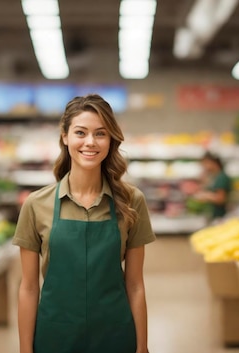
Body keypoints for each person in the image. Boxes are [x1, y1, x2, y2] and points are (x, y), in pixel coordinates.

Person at [12, 94, 156, 353]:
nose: (90, 142)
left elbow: (135, 284)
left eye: (100, 133)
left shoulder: (131, 201)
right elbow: (29, 287)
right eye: (81, 132)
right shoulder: (36, 204)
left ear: (111, 139)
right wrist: (25, 349)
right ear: (65, 136)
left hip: (115, 335)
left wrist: (142, 347)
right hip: (55, 336)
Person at [194, 152, 232, 220]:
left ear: (212, 162)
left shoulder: (221, 177)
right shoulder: (213, 176)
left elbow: (221, 198)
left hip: (219, 217)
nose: (204, 166)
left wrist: (206, 196)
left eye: (205, 163)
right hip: (212, 216)